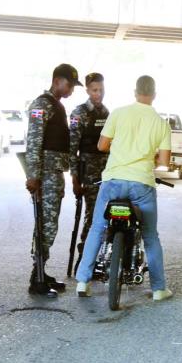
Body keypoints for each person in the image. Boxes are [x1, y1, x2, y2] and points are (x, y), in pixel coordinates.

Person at [75, 75, 173, 301]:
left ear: (135, 92)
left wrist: (121, 150)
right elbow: (165, 162)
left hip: (113, 180)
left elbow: (102, 145)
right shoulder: (161, 123)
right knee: (150, 236)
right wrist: (148, 154)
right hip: (142, 184)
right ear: (154, 94)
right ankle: (159, 289)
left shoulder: (118, 113)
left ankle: (82, 280)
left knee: (97, 228)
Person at [25, 63, 83, 296]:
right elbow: (34, 142)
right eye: (69, 85)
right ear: (57, 81)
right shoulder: (41, 105)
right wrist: (33, 176)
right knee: (45, 226)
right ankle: (36, 279)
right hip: (45, 175)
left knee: (49, 225)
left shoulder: (56, 106)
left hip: (53, 174)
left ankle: (41, 272)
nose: (71, 90)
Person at [69, 72, 110, 267]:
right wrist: (75, 179)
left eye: (101, 89)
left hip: (106, 171)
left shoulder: (106, 113)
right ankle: (84, 260)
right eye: (94, 90)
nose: (99, 94)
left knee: (106, 214)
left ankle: (97, 258)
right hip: (89, 173)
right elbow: (72, 149)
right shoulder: (79, 113)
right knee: (93, 216)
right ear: (87, 90)